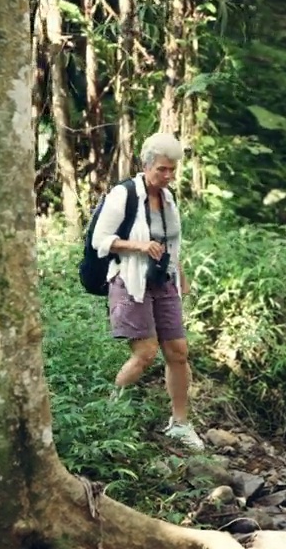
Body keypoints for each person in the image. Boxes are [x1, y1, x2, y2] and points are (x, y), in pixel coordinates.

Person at [90, 132, 204, 451]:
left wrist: (180, 274)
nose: (168, 176)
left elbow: (172, 242)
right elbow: (100, 239)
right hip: (129, 279)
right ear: (147, 165)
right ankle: (111, 413)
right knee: (146, 353)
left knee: (178, 351)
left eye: (172, 170)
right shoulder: (123, 194)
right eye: (162, 170)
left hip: (163, 279)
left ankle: (180, 424)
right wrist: (138, 245)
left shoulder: (169, 199)